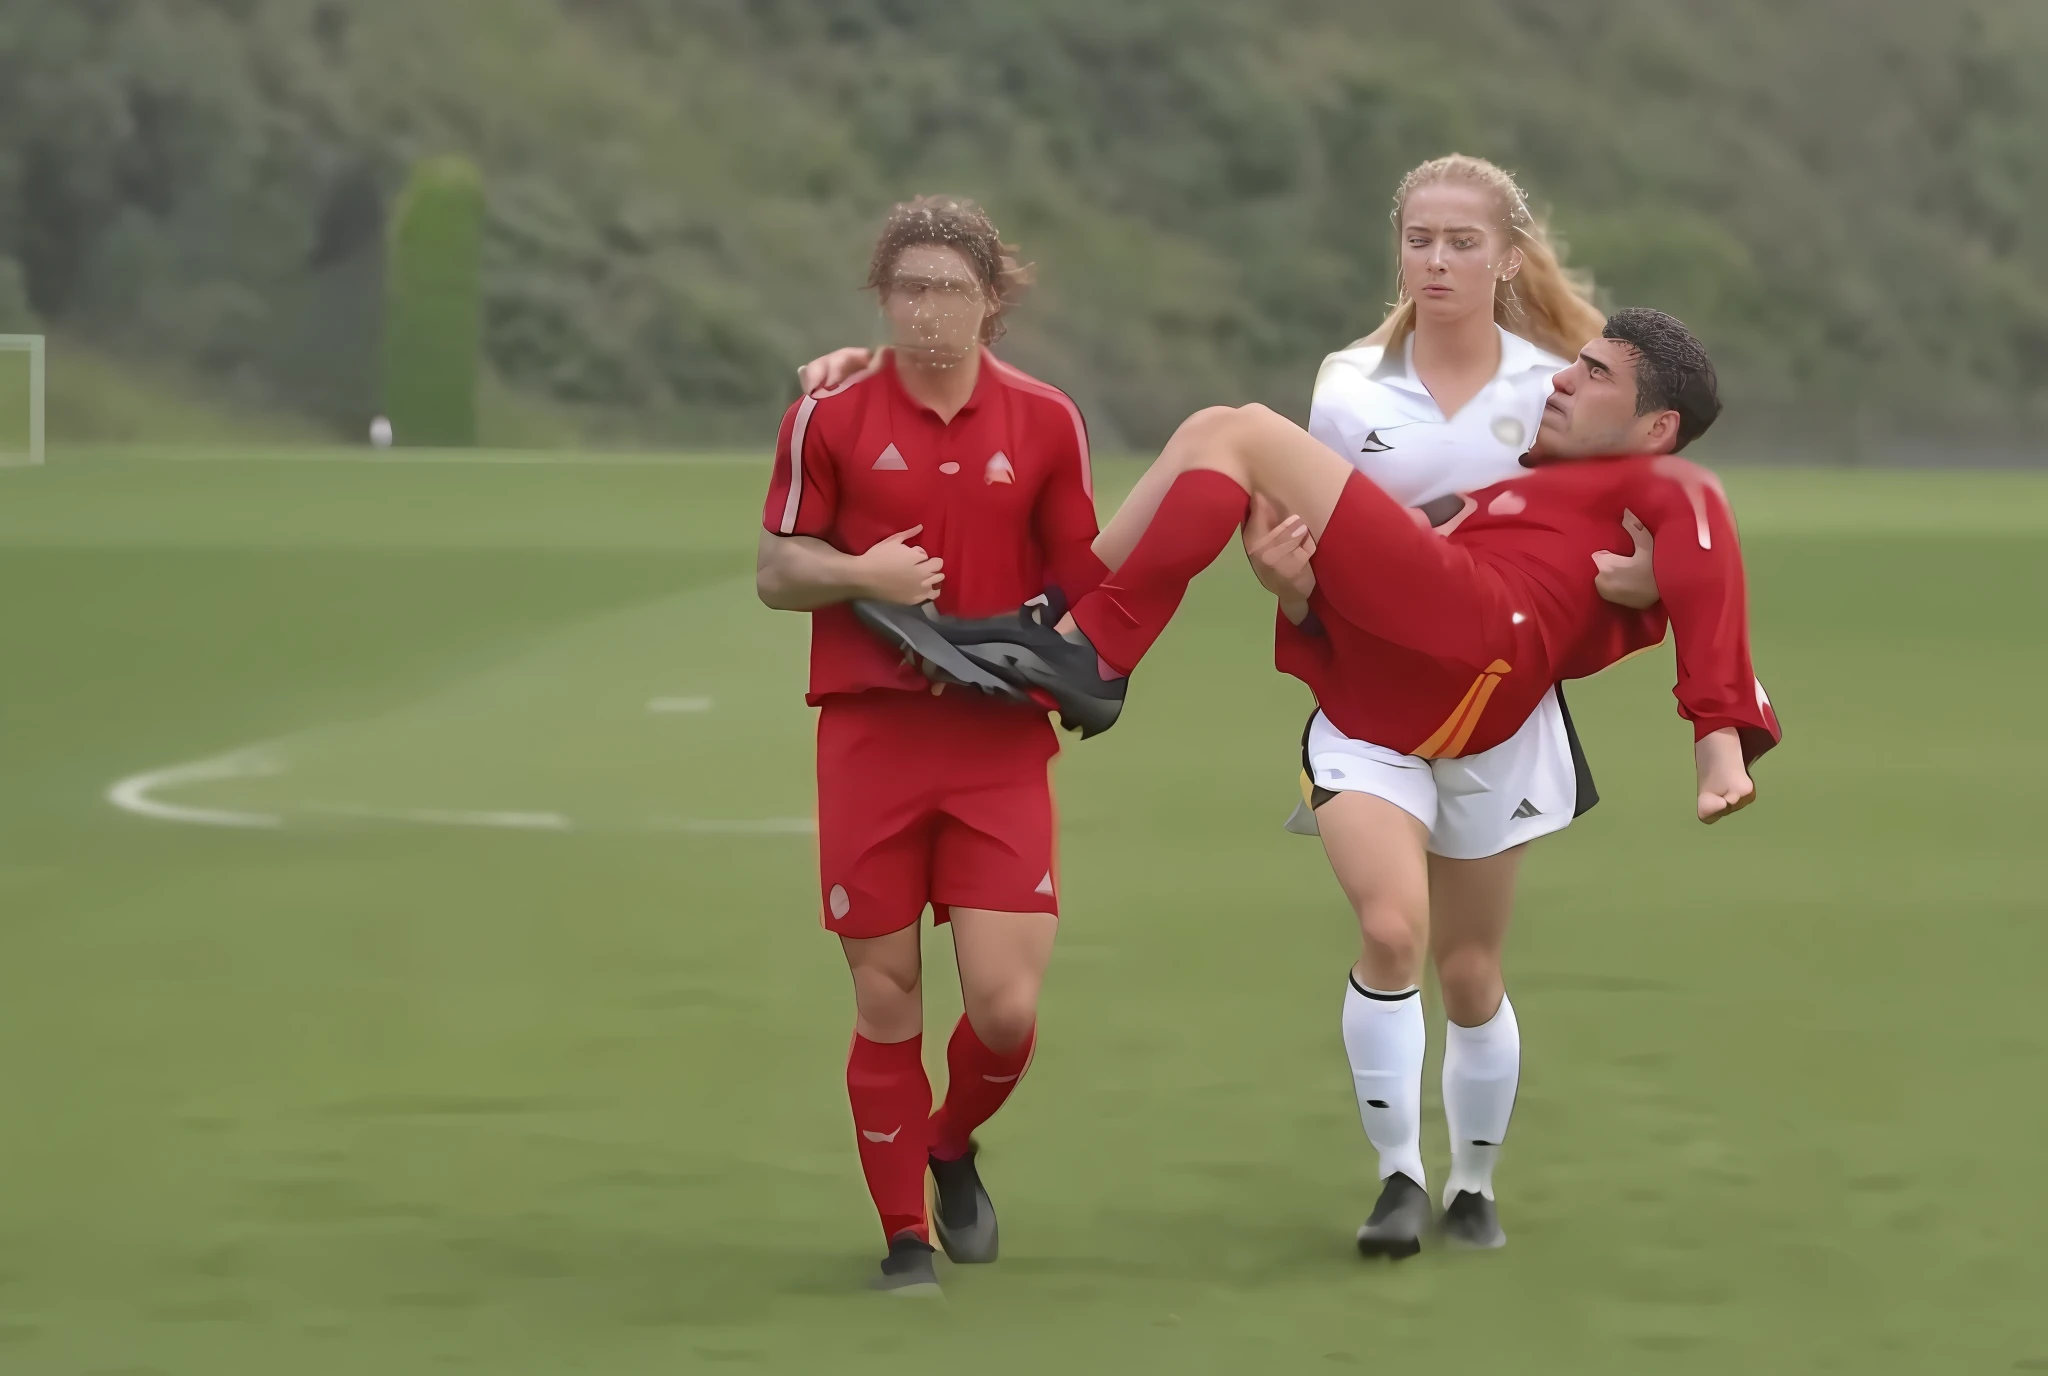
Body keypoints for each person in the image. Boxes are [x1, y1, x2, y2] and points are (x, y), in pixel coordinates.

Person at [803, 154, 1661, 1255]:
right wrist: (1282, 579)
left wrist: (1643, 588)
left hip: (1499, 700)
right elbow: (1307, 555)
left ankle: (1474, 1184)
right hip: (1370, 698)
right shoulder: (1348, 384)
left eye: (1460, 240)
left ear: (1506, 255)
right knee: (1390, 930)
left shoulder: (1556, 381)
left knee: (1469, 966)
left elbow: (1643, 489)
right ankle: (1399, 1176)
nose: (1436, 259)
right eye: (1418, 238)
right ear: (1394, 248)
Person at [756, 195, 1105, 1294]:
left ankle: (949, 1138)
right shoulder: (829, 415)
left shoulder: (1044, 419)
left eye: (950, 289)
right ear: (881, 297)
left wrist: (1077, 660)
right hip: (869, 736)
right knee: (885, 993)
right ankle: (904, 1232)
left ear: (992, 300)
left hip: (996, 740)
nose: (927, 310)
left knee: (1004, 1007)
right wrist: (865, 574)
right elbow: (777, 568)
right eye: (908, 288)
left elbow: (1080, 577)